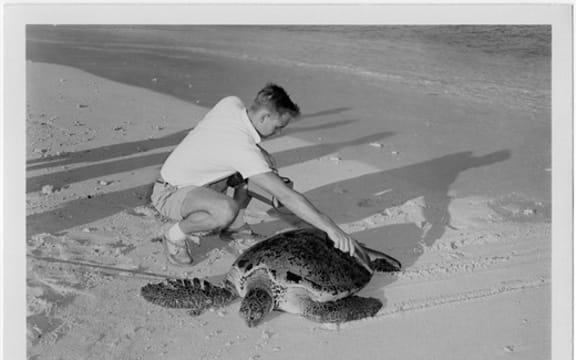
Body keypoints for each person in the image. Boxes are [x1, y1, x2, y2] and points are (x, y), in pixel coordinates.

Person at [151, 83, 361, 266]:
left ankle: (234, 227)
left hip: (199, 181)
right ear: (264, 116)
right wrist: (331, 228)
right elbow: (286, 196)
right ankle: (174, 235)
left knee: (261, 167)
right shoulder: (242, 150)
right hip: (170, 193)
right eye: (278, 127)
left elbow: (227, 140)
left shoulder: (230, 103)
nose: (279, 132)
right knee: (225, 210)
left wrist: (261, 154)